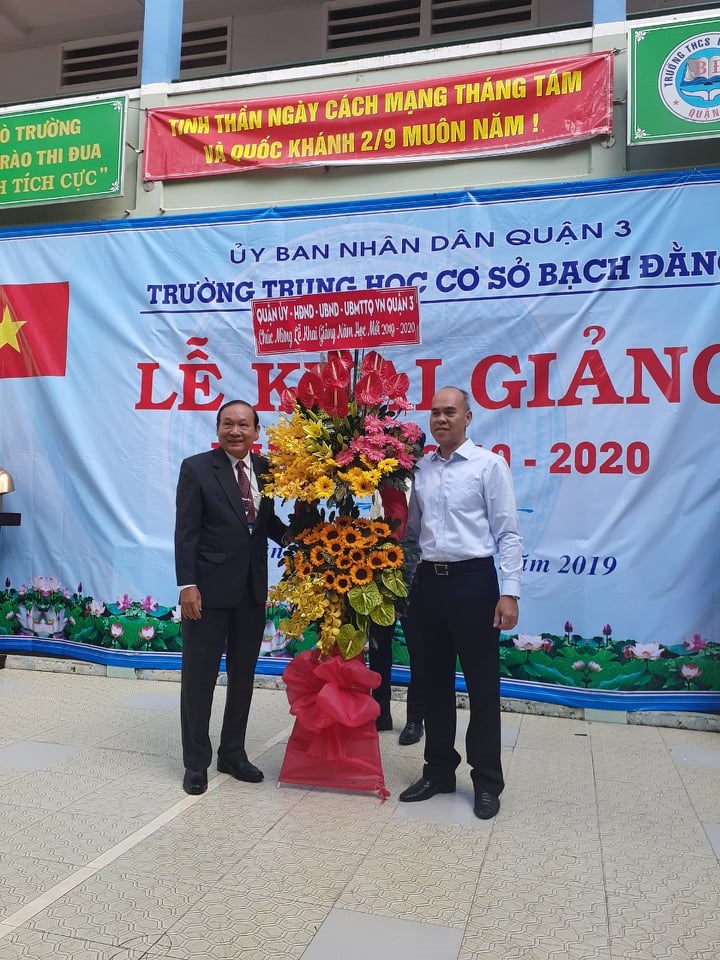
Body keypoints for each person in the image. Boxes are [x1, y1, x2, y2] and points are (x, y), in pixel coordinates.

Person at [399, 386, 522, 819]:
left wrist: (509, 592)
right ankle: (438, 770)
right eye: (435, 412)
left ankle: (486, 780)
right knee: (433, 682)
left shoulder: (489, 465)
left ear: (468, 417)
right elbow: (412, 533)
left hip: (474, 583)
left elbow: (508, 533)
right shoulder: (419, 469)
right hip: (428, 586)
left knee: (482, 686)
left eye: (450, 412)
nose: (441, 419)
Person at [175, 400, 288, 795]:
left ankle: (233, 753)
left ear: (256, 432)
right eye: (228, 424)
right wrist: (187, 585)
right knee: (199, 678)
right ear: (218, 428)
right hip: (206, 592)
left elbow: (262, 523)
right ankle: (196, 763)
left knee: (243, 677)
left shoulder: (267, 470)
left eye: (243, 425)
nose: (235, 431)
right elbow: (186, 532)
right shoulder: (196, 469)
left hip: (251, 591)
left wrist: (301, 538)